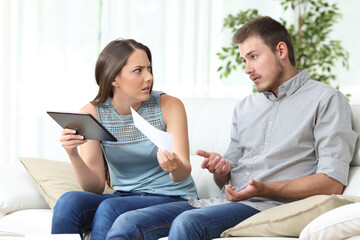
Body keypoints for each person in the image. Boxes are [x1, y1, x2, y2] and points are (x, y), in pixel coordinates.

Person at [105, 16, 358, 240]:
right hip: (223, 203)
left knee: (187, 223)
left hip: (271, 207)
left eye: (254, 57)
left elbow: (332, 182)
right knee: (129, 222)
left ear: (281, 50)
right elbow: (226, 176)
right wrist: (221, 169)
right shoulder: (245, 107)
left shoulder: (326, 100)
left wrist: (266, 188)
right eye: (244, 60)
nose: (247, 69)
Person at [51, 39, 197, 240]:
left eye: (149, 68)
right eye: (138, 70)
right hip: (125, 197)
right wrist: (72, 153)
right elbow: (94, 187)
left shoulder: (169, 105)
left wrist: (174, 166)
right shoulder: (93, 113)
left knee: (111, 207)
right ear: (114, 79)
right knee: (68, 202)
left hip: (173, 198)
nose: (149, 77)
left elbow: (183, 172)